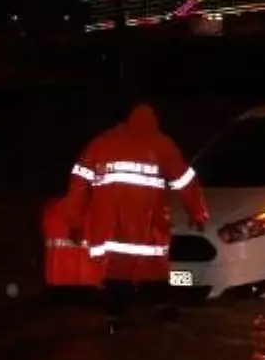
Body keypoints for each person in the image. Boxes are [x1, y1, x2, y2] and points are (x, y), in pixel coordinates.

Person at [61, 102, 209, 332]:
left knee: (116, 273)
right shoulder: (161, 144)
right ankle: (161, 312)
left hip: (112, 230)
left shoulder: (102, 143)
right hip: (147, 231)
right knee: (155, 273)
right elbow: (185, 182)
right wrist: (198, 212)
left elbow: (78, 184)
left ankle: (114, 320)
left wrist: (74, 221)